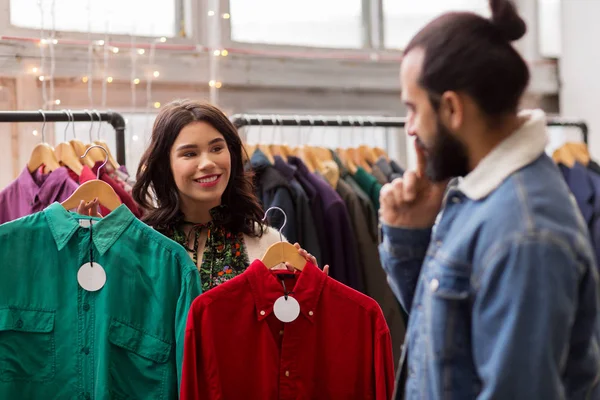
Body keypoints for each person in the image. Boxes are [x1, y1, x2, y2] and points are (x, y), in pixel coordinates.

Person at [378, 0, 600, 398]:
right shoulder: (478, 198)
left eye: (412, 109)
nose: (410, 127)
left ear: (451, 108)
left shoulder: (525, 233)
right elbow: (445, 346)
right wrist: (409, 236)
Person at [95, 99, 327, 293]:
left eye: (217, 149)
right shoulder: (141, 244)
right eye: (190, 153)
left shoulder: (268, 244)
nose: (207, 163)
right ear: (166, 165)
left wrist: (309, 291)